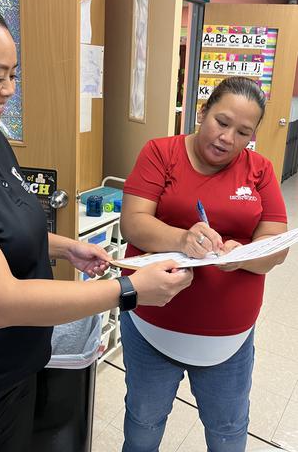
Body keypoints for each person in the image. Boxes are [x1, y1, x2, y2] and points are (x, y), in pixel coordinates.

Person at [0, 0, 193, 452]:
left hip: (18, 372)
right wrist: (129, 291)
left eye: (13, 76)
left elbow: (1, 226)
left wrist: (65, 247)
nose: (9, 90)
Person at [119, 76, 288, 452]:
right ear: (202, 112)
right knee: (144, 422)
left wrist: (241, 256)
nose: (228, 138)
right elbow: (133, 222)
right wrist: (182, 239)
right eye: (222, 122)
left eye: (243, 132)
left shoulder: (259, 169)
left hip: (230, 340)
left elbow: (277, 247)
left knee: (227, 430)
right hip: (151, 327)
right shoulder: (161, 153)